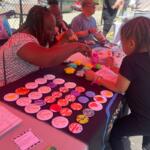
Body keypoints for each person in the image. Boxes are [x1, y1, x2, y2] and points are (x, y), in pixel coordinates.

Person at [85, 16, 150, 150]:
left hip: (144, 119)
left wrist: (96, 78)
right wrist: (113, 67)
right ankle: (146, 145)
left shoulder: (130, 60)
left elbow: (119, 88)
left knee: (115, 132)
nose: (121, 45)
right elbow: (135, 76)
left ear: (131, 43)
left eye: (122, 42)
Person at [0, 5, 91, 88]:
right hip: (4, 93)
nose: (55, 32)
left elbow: (50, 53)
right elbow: (47, 60)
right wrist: (76, 47)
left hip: (20, 86)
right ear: (36, 26)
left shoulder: (36, 37)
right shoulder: (20, 40)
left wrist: (65, 39)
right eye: (49, 28)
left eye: (53, 27)